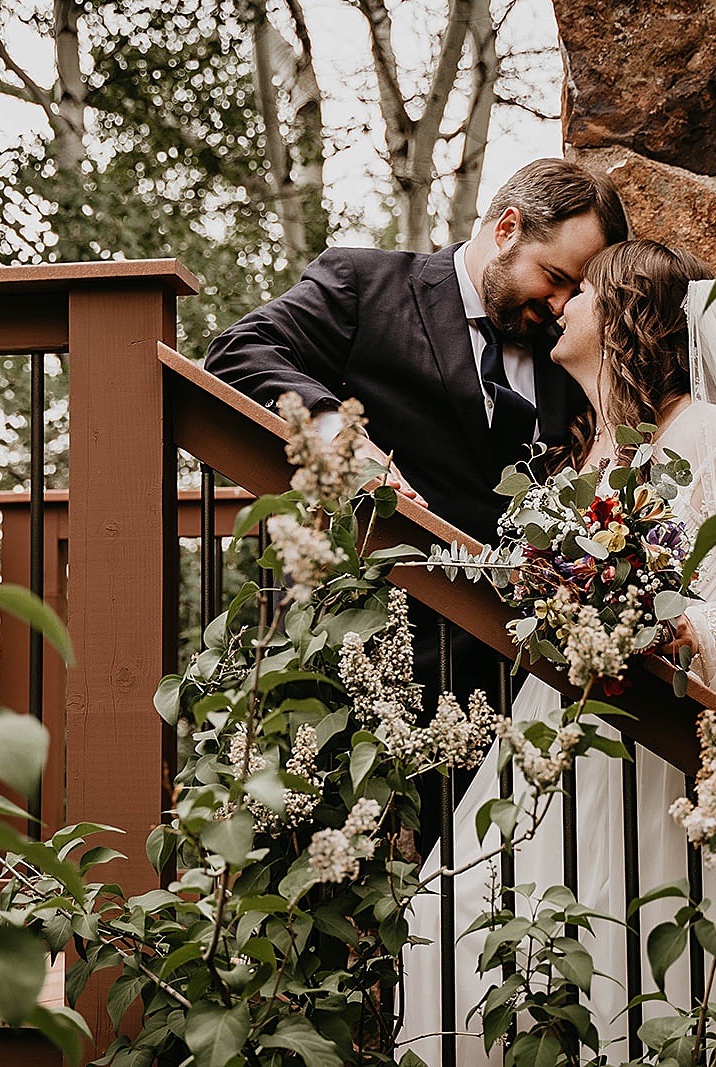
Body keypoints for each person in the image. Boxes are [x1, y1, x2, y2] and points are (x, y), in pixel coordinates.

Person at [397, 240, 716, 1064]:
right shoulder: (589, 448)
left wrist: (689, 628)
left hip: (683, 736)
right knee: (454, 919)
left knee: (647, 949)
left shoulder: (711, 433)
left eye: (582, 291)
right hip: (578, 727)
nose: (560, 303)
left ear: (624, 316)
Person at [206, 160, 629, 843]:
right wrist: (341, 438)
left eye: (575, 289)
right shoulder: (364, 284)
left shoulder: (565, 346)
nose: (559, 303)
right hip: (356, 669)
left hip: (504, 690)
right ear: (508, 228)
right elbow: (236, 351)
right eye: (555, 277)